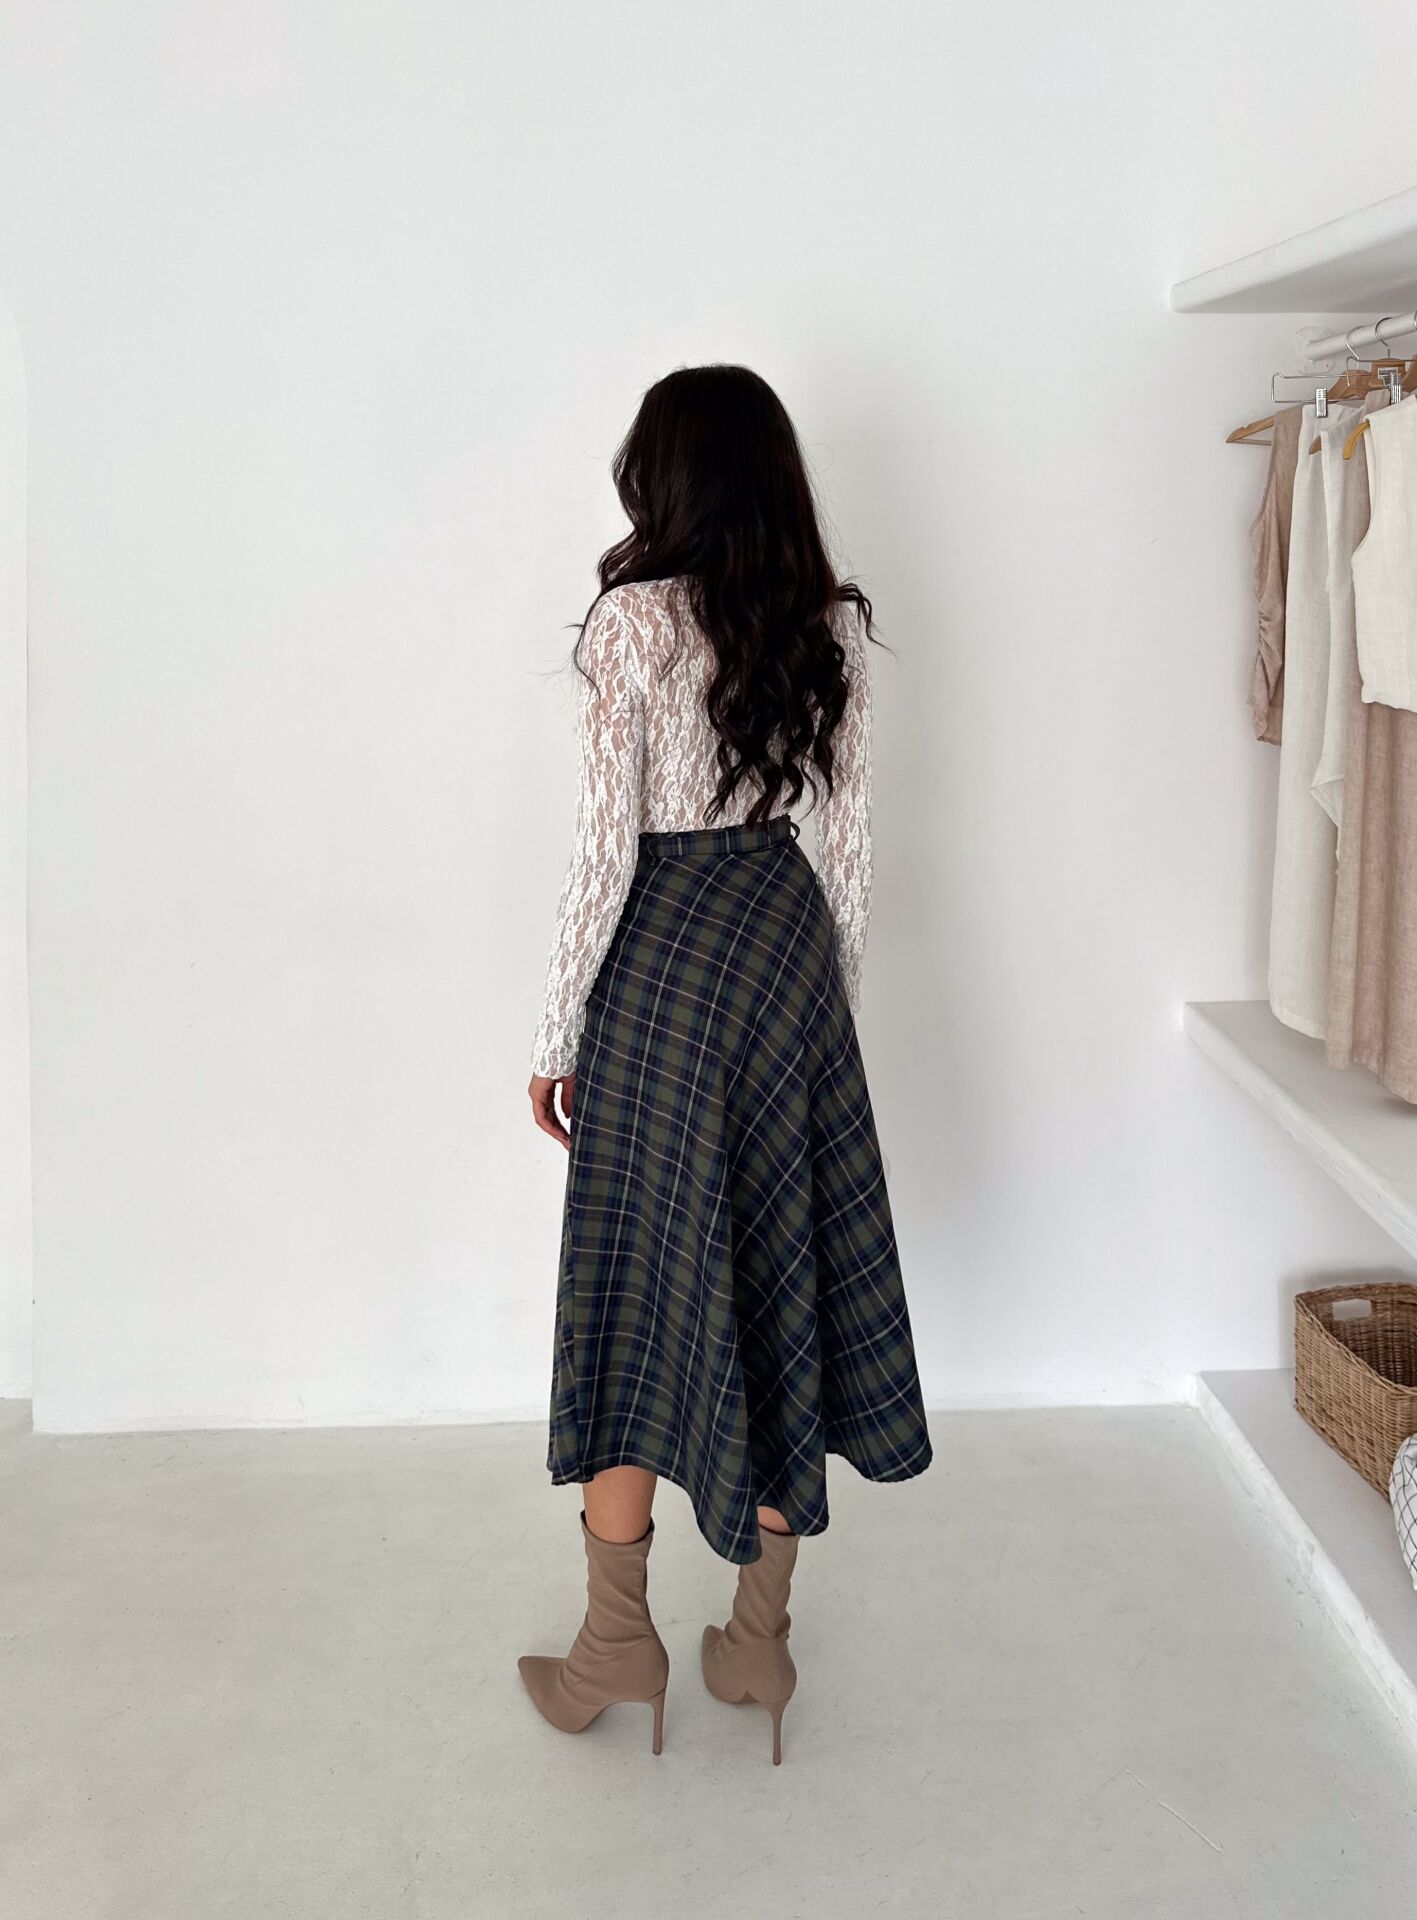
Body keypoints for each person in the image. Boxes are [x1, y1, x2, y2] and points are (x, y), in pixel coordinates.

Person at [521, 364, 932, 1764]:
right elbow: (851, 852)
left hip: (663, 962)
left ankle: (612, 1649)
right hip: (783, 953)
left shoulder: (630, 624)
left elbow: (601, 852)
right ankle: (756, 1647)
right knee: (774, 1284)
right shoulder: (827, 623)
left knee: (639, 1291)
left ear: (667, 480)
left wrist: (554, 1036)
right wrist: (822, 1026)